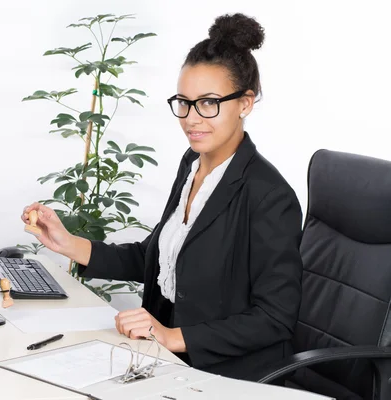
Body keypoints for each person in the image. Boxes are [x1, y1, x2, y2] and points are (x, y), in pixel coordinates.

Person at [21, 13, 303, 380]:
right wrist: (68, 243)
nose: (191, 118)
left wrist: (173, 337)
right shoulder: (192, 165)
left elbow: (275, 319)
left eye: (208, 103)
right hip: (162, 358)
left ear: (245, 104)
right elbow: (156, 258)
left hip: (227, 374)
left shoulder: (269, 196)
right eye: (183, 102)